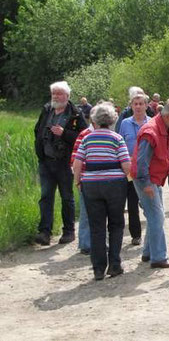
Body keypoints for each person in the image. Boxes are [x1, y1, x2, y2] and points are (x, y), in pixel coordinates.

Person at [73, 102, 131, 281]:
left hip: (91, 185)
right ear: (112, 119)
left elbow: (77, 163)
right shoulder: (116, 138)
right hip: (114, 184)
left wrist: (78, 182)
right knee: (116, 224)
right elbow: (126, 164)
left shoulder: (87, 139)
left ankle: (98, 268)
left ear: (95, 120)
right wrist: (127, 181)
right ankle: (114, 265)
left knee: (96, 227)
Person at [131, 100, 169, 268]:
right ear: (167, 116)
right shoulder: (151, 131)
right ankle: (159, 257)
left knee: (155, 216)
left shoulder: (164, 127)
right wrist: (146, 184)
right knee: (157, 216)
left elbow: (158, 154)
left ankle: (148, 253)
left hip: (153, 177)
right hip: (146, 179)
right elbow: (141, 162)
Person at [34, 81, 87, 246]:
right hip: (47, 161)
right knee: (46, 197)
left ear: (67, 96)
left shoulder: (76, 114)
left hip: (65, 162)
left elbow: (83, 136)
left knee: (66, 197)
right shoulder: (47, 110)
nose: (55, 97)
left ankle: (69, 231)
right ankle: (45, 232)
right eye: (53, 94)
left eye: (59, 94)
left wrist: (65, 133)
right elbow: (38, 130)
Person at [118, 92, 152, 246]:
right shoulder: (125, 123)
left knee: (150, 203)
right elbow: (119, 144)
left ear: (146, 105)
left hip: (149, 169)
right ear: (131, 106)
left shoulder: (152, 123)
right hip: (130, 170)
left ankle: (152, 234)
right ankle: (136, 234)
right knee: (132, 203)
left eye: (141, 104)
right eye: (135, 104)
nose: (138, 107)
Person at [70, 106, 97, 255]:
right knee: (86, 212)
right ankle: (85, 243)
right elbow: (75, 159)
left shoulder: (110, 134)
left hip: (102, 181)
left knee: (99, 213)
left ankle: (96, 242)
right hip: (86, 180)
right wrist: (78, 179)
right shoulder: (84, 135)